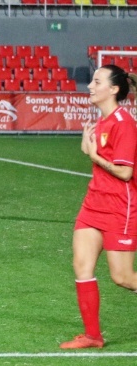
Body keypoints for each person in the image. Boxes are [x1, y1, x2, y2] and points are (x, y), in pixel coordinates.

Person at [60, 66, 137, 349]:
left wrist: (94, 156)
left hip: (120, 208)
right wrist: (87, 150)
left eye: (97, 81)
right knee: (82, 266)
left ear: (114, 89)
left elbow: (125, 174)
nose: (90, 86)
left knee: (123, 277)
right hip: (93, 204)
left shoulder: (124, 123)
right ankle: (93, 335)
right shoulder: (102, 122)